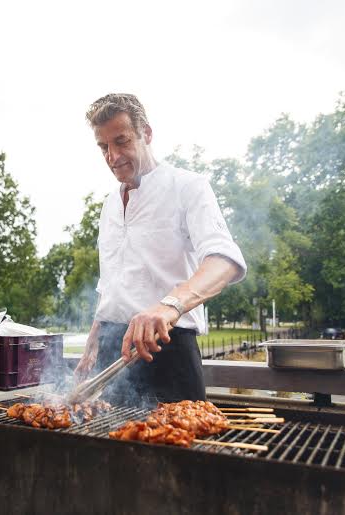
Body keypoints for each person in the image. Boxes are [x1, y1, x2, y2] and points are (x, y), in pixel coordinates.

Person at [73, 93, 247, 404]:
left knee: (175, 449)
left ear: (147, 134)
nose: (113, 156)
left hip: (168, 351)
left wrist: (168, 307)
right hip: (112, 350)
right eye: (104, 147)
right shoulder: (110, 204)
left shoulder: (188, 186)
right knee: (103, 448)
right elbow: (111, 280)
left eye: (122, 141)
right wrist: (95, 338)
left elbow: (225, 259)